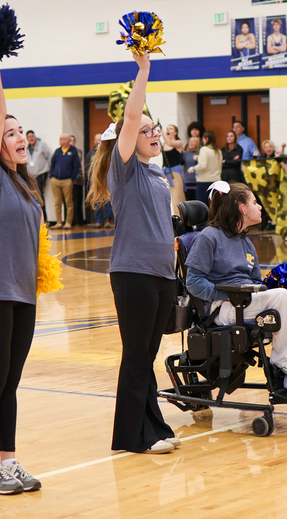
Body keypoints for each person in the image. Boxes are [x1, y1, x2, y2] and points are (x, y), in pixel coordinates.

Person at [86, 50, 178, 455]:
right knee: (137, 354)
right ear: (126, 137)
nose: (154, 133)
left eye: (155, 128)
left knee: (149, 353)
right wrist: (144, 72)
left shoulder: (157, 171)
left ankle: (152, 424)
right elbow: (131, 116)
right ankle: (132, 436)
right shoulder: (124, 169)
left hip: (160, 274)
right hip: (133, 273)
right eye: (145, 130)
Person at [0, 40, 44, 495]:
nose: (19, 137)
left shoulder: (26, 185)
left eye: (22, 132)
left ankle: (11, 460)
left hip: (24, 294)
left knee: (12, 381)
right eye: (10, 132)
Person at [185, 182, 287, 396]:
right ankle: (285, 362)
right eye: (254, 202)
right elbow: (194, 282)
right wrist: (226, 295)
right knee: (281, 296)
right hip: (223, 309)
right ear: (242, 208)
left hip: (245, 304)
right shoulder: (208, 237)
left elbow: (255, 282)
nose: (260, 206)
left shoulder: (245, 242)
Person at [49, 133, 81, 229]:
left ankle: (68, 222)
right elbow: (52, 164)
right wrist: (51, 176)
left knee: (69, 202)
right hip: (55, 180)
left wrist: (72, 179)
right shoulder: (58, 151)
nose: (60, 140)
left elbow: (76, 167)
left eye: (61, 139)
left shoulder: (73, 152)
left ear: (67, 140)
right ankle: (59, 222)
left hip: (67, 180)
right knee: (57, 202)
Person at [25, 130, 52, 219]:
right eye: (29, 137)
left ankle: (44, 218)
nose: (31, 138)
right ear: (27, 139)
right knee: (32, 196)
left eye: (32, 136)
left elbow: (49, 157)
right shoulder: (26, 148)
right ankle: (35, 217)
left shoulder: (42, 145)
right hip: (30, 175)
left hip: (41, 174)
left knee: (39, 195)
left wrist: (49, 171)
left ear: (35, 137)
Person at [189, 131, 222, 205]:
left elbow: (202, 166)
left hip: (204, 181)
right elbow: (220, 166)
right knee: (215, 204)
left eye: (203, 139)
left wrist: (192, 169)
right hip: (216, 180)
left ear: (206, 139)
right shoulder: (218, 150)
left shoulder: (204, 149)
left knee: (202, 204)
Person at [161, 125, 186, 215]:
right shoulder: (163, 144)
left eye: (170, 129)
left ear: (175, 132)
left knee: (177, 199)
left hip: (175, 174)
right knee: (165, 199)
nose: (168, 130)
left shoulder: (178, 143)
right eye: (167, 128)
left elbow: (170, 143)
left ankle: (179, 221)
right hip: (165, 174)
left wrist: (162, 131)